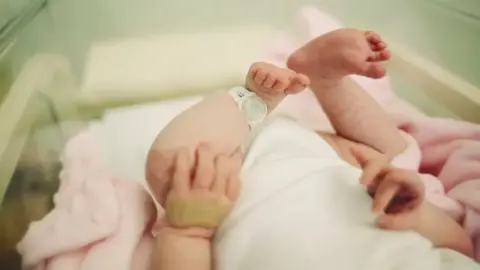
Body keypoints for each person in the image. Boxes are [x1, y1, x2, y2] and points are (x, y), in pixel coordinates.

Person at [146, 29, 476, 270]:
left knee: (173, 167)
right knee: (392, 151)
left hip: (224, 193)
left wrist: (188, 231)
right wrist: (414, 212)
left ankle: (252, 104)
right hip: (360, 181)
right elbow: (460, 246)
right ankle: (324, 78)